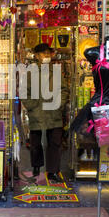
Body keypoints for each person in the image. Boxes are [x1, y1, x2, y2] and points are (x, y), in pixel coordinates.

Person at [22, 43, 69, 183]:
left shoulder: (56, 71)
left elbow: (64, 90)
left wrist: (59, 105)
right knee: (35, 143)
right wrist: (32, 106)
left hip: (53, 113)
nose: (46, 56)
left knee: (55, 143)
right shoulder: (30, 72)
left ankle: (53, 171)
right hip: (36, 112)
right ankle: (36, 167)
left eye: (48, 53)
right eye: (43, 53)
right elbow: (24, 91)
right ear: (36, 56)